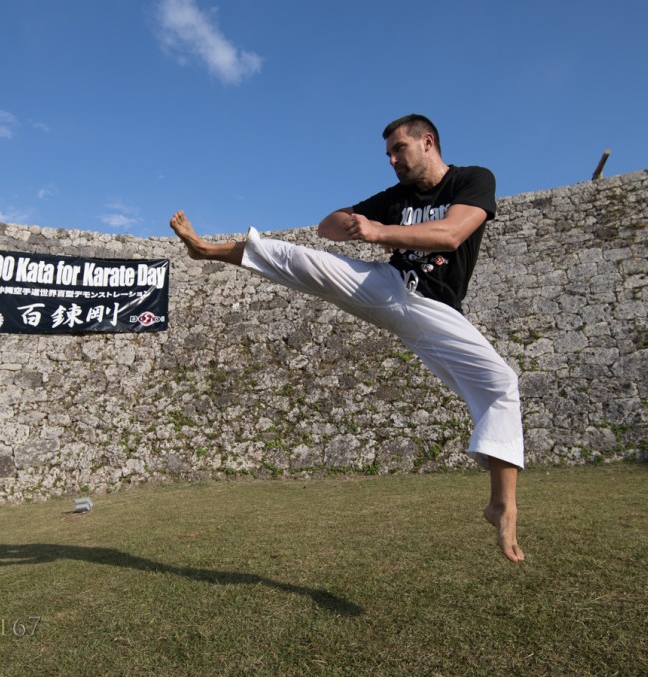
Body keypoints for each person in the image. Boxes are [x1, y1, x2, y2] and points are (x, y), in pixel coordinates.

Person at [169, 114, 525, 562]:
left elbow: (452, 235)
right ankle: (205, 249)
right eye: (388, 154)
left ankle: (501, 504)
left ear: (428, 142)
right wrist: (354, 223)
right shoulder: (394, 198)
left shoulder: (472, 180)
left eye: (400, 149)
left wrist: (381, 231)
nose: (393, 160)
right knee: (301, 259)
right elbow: (326, 226)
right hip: (388, 287)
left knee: (501, 384)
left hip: (436, 312)